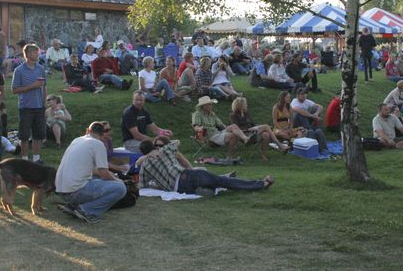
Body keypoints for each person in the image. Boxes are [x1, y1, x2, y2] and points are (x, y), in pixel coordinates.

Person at [138, 137, 274, 196]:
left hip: (179, 189)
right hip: (187, 177)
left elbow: (143, 186)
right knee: (224, 182)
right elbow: (177, 142)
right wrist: (158, 149)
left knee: (216, 181)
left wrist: (159, 184)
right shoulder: (164, 150)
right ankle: (261, 184)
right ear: (153, 146)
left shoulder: (144, 166)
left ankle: (205, 190)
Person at [56, 122, 127, 224]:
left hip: (61, 190)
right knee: (120, 188)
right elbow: (104, 174)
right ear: (102, 135)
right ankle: (86, 210)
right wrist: (118, 180)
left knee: (95, 178)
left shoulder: (77, 140)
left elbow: (95, 171)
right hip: (74, 192)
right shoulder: (98, 144)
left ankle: (73, 206)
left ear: (88, 131)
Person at [192, 96, 258, 160]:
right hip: (209, 136)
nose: (211, 105)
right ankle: (230, 157)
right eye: (209, 104)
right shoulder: (197, 114)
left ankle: (246, 139)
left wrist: (230, 129)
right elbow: (195, 126)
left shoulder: (212, 114)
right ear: (204, 106)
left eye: (211, 104)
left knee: (234, 126)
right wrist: (199, 129)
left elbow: (221, 125)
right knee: (234, 136)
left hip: (217, 133)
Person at [11, 44, 46, 163]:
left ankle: (37, 158)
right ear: (29, 54)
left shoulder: (40, 68)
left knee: (38, 135)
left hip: (39, 106)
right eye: (36, 53)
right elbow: (14, 90)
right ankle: (24, 159)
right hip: (25, 107)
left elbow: (44, 87)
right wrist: (32, 86)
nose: (38, 54)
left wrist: (44, 103)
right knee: (24, 135)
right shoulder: (19, 70)